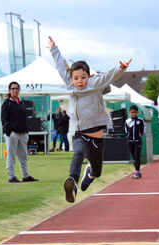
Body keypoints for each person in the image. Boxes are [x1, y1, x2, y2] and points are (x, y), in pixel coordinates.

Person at [47, 36, 131, 203]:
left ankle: (90, 173)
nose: (80, 81)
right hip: (79, 133)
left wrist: (120, 69)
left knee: (98, 171)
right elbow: (61, 68)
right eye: (76, 78)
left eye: (83, 77)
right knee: (77, 153)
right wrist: (53, 49)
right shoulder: (71, 87)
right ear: (71, 79)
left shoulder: (94, 84)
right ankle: (73, 183)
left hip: (96, 138)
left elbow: (108, 76)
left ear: (89, 76)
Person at [1, 81, 39, 183]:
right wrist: (9, 131)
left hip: (23, 133)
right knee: (11, 156)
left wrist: (26, 131)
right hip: (12, 133)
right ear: (9, 90)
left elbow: (24, 118)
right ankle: (11, 176)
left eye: (17, 88)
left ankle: (25, 175)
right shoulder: (7, 103)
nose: (15, 90)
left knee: (23, 156)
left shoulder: (21, 102)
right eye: (13, 88)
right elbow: (4, 119)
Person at [125, 105, 145, 179]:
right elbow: (126, 131)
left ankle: (137, 172)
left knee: (137, 156)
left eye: (135, 112)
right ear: (129, 112)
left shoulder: (140, 120)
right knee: (134, 157)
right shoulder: (127, 121)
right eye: (132, 112)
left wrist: (138, 137)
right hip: (130, 141)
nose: (133, 114)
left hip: (138, 141)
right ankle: (137, 171)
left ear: (137, 112)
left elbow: (143, 131)